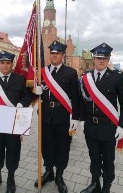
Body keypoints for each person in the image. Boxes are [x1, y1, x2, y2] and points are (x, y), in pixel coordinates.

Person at [79, 42, 123, 193]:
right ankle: (95, 184)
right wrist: (82, 119)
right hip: (90, 126)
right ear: (94, 58)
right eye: (99, 57)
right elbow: (82, 100)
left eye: (105, 58)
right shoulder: (85, 78)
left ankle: (106, 188)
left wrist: (122, 126)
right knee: (94, 157)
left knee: (108, 161)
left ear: (108, 59)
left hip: (108, 127)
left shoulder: (118, 78)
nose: (101, 60)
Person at [0, 50, 32, 193]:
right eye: (2, 63)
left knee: (13, 150)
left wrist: (22, 104)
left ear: (12, 64)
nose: (5, 66)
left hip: (14, 123)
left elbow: (27, 96)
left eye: (8, 63)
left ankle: (11, 177)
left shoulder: (20, 79)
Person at [34, 40, 80, 193]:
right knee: (46, 145)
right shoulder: (42, 72)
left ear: (62, 55)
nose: (54, 56)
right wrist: (36, 91)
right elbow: (32, 92)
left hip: (63, 116)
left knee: (62, 146)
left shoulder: (71, 73)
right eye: (52, 53)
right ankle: (49, 171)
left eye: (57, 53)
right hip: (45, 116)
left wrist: (75, 118)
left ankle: (59, 175)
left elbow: (76, 97)